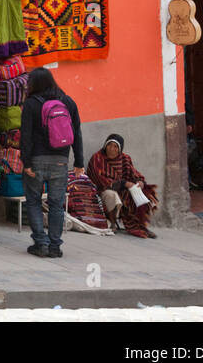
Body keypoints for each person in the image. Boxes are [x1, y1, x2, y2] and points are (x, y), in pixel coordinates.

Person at [20, 66, 84, 259]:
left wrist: (26, 162)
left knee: (33, 201)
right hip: (60, 161)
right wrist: (79, 161)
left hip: (37, 160)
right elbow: (77, 133)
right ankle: (55, 247)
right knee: (56, 204)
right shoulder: (68, 101)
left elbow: (26, 136)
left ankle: (41, 244)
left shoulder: (31, 104)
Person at [86, 134, 158, 238]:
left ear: (120, 149)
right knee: (111, 195)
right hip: (101, 190)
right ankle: (112, 222)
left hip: (122, 190)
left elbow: (134, 173)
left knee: (141, 194)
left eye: (115, 147)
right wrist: (125, 184)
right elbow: (102, 181)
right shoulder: (97, 158)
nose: (112, 149)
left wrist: (139, 182)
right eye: (109, 145)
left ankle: (140, 226)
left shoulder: (125, 159)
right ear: (105, 146)